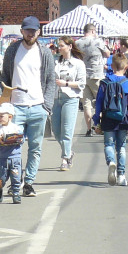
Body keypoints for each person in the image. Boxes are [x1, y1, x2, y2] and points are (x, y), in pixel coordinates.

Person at [0, 16, 56, 197]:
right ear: (22, 31)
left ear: (39, 32)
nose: (30, 34)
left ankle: (28, 182)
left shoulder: (44, 53)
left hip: (38, 106)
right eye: (27, 30)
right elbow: (5, 77)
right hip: (16, 107)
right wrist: (5, 103)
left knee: (35, 148)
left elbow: (50, 80)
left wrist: (47, 106)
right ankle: (15, 182)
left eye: (34, 31)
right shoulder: (13, 50)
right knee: (13, 148)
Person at [95, 53, 128, 187]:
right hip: (123, 119)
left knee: (108, 144)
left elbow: (98, 103)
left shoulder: (104, 83)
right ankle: (121, 175)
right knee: (121, 147)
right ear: (126, 67)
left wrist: (97, 121)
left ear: (112, 66)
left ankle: (111, 162)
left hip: (108, 118)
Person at [51, 36, 86, 171]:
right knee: (56, 130)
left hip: (71, 98)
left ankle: (65, 159)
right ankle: (69, 152)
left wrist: (66, 83)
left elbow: (82, 83)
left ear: (70, 46)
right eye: (58, 46)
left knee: (67, 130)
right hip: (56, 97)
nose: (59, 48)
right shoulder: (56, 63)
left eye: (62, 46)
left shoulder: (78, 64)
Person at [76, 23, 110, 136]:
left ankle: (88, 129)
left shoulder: (77, 43)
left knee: (87, 104)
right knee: (101, 102)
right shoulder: (98, 41)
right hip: (96, 75)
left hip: (83, 76)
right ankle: (100, 126)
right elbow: (107, 54)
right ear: (92, 31)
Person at [0, 103, 24, 204]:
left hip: (15, 158)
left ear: (10, 117)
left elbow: (22, 139)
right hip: (3, 159)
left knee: (16, 177)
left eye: (2, 116)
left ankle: (16, 194)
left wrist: (18, 139)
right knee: (1, 178)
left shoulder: (16, 128)